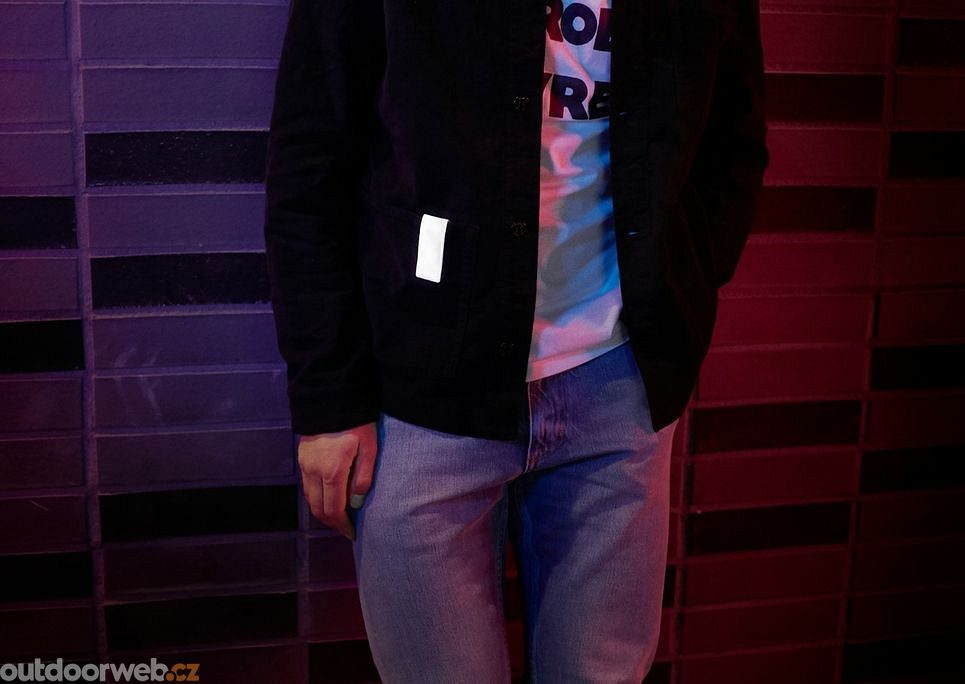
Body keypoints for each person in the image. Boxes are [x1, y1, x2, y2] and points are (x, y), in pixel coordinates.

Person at [263, 0, 769, 681]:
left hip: (617, 386)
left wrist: (679, 285)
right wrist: (328, 397)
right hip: (421, 393)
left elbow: (735, 142)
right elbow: (309, 163)